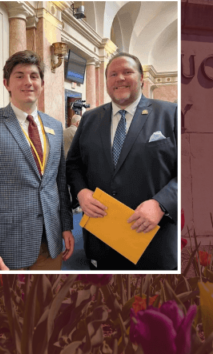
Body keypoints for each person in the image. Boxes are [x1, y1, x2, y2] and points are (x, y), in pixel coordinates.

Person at [66, 52, 178, 270]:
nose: (120, 78)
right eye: (113, 74)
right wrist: (81, 192)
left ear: (142, 78)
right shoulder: (90, 119)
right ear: (106, 81)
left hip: (153, 240)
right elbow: (74, 165)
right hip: (102, 239)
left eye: (127, 72)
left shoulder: (170, 114)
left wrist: (162, 203)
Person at [0, 51, 74, 270]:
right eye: (19, 76)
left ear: (42, 83)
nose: (28, 82)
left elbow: (60, 184)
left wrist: (67, 226)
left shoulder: (55, 127)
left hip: (50, 242)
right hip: (5, 247)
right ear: (6, 83)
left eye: (34, 76)